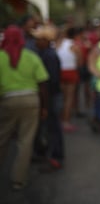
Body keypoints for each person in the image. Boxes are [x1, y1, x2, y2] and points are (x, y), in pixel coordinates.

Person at [0, 25, 49, 190]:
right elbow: (42, 83)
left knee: (3, 138)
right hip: (31, 100)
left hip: (7, 101)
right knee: (25, 141)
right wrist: (44, 107)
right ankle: (18, 180)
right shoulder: (31, 56)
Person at [31, 24, 65, 172]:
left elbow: (52, 81)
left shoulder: (49, 55)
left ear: (45, 40)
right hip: (50, 96)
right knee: (50, 128)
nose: (36, 42)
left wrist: (45, 101)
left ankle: (55, 157)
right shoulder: (46, 53)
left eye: (38, 39)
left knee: (53, 128)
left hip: (51, 96)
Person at [56, 26, 82, 132]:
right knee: (68, 99)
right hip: (71, 72)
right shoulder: (75, 46)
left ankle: (58, 120)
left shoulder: (57, 45)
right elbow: (80, 62)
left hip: (59, 72)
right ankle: (66, 122)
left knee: (60, 98)